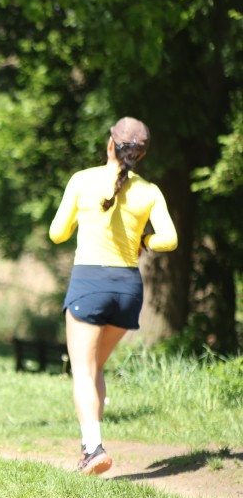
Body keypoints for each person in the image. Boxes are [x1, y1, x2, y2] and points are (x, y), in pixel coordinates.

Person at [49, 117, 177, 475]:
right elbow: (169, 239)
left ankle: (93, 448)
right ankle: (89, 449)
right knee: (95, 367)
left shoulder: (82, 180)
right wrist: (144, 240)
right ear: (142, 154)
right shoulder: (149, 191)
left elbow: (57, 233)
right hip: (128, 290)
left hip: (89, 284)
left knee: (82, 371)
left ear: (110, 144)